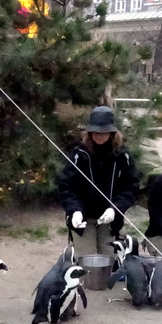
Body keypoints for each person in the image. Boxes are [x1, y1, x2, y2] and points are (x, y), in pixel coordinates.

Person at [57, 106, 140, 255]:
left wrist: (115, 208)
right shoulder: (79, 154)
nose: (99, 136)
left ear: (112, 132)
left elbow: (131, 187)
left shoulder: (122, 156)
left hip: (109, 219)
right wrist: (74, 210)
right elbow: (66, 186)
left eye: (103, 132)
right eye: (95, 132)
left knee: (108, 260)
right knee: (88, 262)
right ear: (89, 132)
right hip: (83, 218)